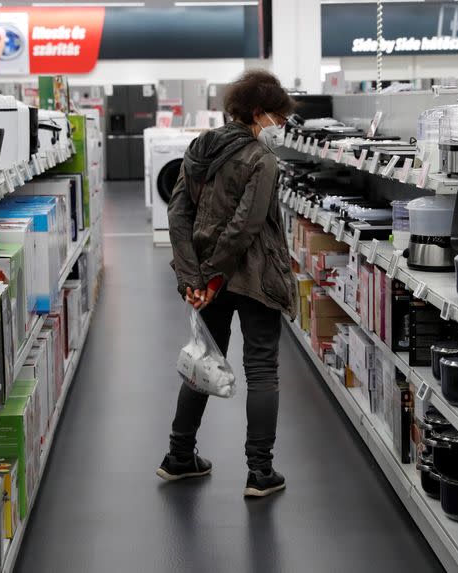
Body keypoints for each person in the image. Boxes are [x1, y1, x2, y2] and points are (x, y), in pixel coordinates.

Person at [159, 70, 297, 498]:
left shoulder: (199, 148)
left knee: (204, 359)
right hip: (254, 276)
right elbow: (247, 225)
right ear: (258, 113)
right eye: (278, 117)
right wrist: (215, 275)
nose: (281, 126)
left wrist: (194, 278)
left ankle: (179, 456)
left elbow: (178, 215)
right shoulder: (261, 158)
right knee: (261, 370)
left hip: (206, 277)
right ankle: (260, 472)